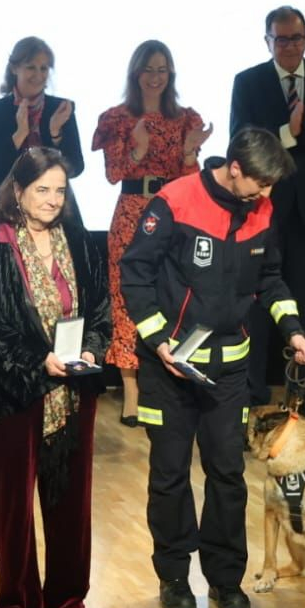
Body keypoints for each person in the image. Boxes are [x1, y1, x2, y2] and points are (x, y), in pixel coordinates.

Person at [120, 127, 305, 608]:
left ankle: (226, 578)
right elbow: (135, 273)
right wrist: (158, 338)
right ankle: (173, 577)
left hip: (228, 374)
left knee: (227, 475)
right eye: (260, 184)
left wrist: (293, 331)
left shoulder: (262, 210)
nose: (267, 195)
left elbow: (270, 280)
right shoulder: (175, 201)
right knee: (169, 476)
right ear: (234, 167)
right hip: (168, 369)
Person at [0, 148, 111, 608]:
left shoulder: (83, 243)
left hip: (73, 392)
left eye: (60, 191)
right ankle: (18, 600)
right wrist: (36, 363)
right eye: (42, 189)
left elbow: (102, 312)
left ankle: (67, 598)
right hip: (13, 394)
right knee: (13, 506)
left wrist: (91, 351)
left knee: (72, 500)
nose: (52, 200)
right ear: (19, 191)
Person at [230, 5, 305, 419]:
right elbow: (241, 141)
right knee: (259, 298)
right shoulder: (248, 82)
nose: (290, 46)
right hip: (264, 209)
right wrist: (291, 132)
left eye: (297, 38)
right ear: (267, 41)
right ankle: (251, 390)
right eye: (281, 39)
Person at [90, 40, 212, 426]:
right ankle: (131, 393)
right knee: (128, 296)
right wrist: (138, 150)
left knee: (170, 295)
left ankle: (164, 380)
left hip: (171, 214)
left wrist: (191, 154)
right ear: (135, 73)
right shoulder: (117, 118)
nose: (156, 77)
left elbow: (192, 181)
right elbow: (113, 174)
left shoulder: (186, 119)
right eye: (149, 69)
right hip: (130, 214)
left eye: (162, 70)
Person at [0, 37, 85, 241]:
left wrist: (55, 134)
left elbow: (76, 167)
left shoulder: (62, 108)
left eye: (44, 68)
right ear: (14, 69)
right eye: (31, 67)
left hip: (53, 213)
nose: (38, 75)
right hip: (1, 212)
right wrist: (19, 135)